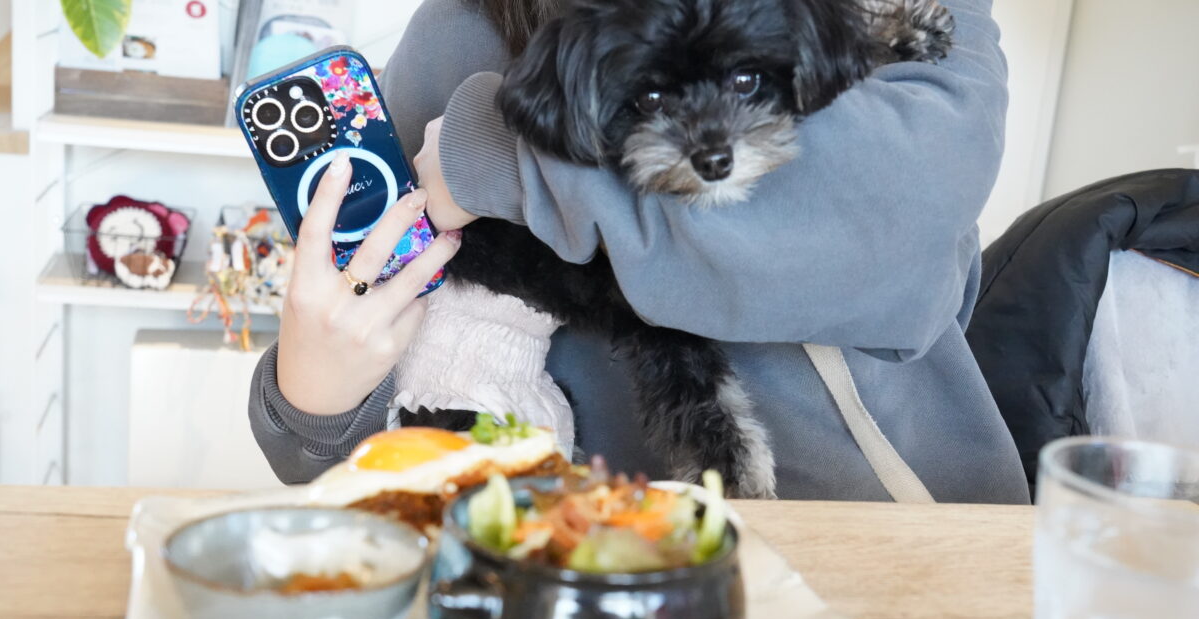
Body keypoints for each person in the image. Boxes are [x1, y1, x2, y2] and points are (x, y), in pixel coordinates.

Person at [249, 0, 1030, 504]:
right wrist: (315, 399)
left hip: (894, 539)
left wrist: (504, 156)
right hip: (573, 560)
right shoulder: (459, 31)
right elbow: (370, 427)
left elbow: (894, 227)